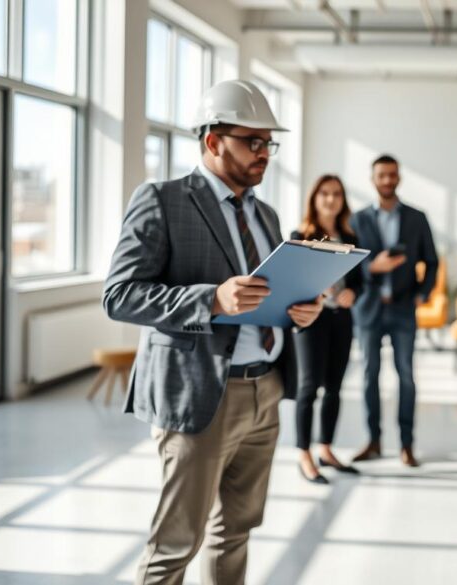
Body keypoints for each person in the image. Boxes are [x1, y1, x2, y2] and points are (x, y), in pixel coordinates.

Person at [103, 79, 324, 585]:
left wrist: (297, 311)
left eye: (269, 143)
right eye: (254, 141)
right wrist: (209, 298)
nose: (265, 153)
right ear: (212, 141)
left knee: (238, 530)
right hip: (202, 394)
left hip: (264, 389)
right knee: (176, 542)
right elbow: (120, 295)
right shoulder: (162, 200)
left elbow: (264, 296)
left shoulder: (265, 214)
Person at [349, 154, 438, 468]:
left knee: (406, 377)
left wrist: (422, 294)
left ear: (399, 178)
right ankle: (373, 441)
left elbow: (432, 261)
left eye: (392, 175)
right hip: (369, 309)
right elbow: (349, 265)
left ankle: (406, 445)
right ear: (373, 179)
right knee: (369, 376)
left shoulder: (417, 218)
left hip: (403, 309)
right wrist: (373, 266)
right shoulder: (357, 220)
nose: (387, 180)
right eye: (382, 175)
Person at [292, 175, 362, 483]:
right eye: (324, 193)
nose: (330, 200)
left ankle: (326, 449)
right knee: (308, 388)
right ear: (314, 198)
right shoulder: (302, 234)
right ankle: (304, 455)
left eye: (336, 194)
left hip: (341, 320)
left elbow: (359, 280)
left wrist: (353, 293)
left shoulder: (350, 234)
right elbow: (293, 279)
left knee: (334, 387)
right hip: (312, 321)